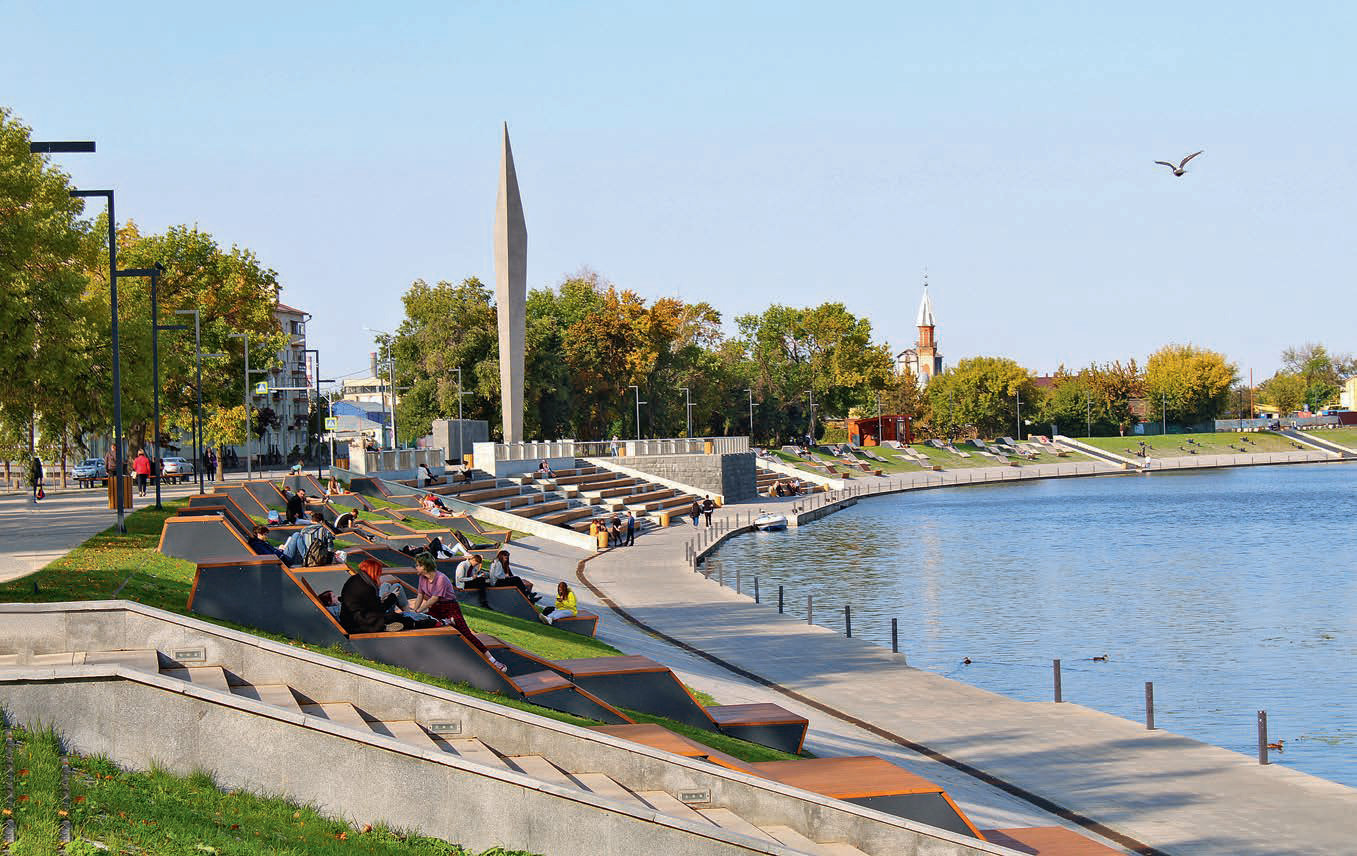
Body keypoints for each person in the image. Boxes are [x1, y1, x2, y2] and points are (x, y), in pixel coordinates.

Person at [408, 555, 506, 671]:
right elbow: (420, 595)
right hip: (436, 608)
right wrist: (415, 611)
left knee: (466, 634)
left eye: (418, 565)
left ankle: (493, 660)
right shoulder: (422, 578)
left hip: (450, 607)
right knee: (424, 624)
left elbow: (434, 598)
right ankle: (444, 623)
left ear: (425, 566)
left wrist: (418, 611)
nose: (416, 567)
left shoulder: (441, 578)